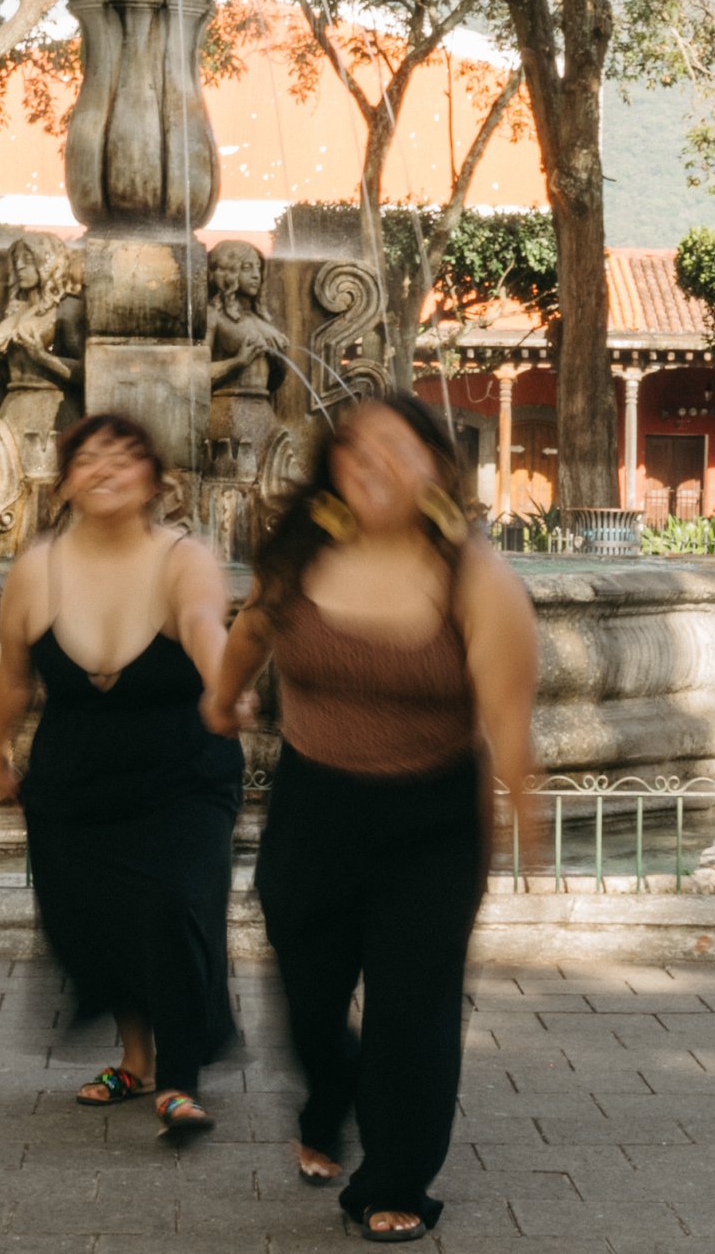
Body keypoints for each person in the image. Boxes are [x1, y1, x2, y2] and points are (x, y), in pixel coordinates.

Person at [203, 396, 539, 1243]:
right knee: (310, 993)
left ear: (436, 466)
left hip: (430, 817)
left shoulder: (477, 578)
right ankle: (330, 1094)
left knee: (413, 1003)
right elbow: (250, 628)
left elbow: (507, 721)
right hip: (314, 806)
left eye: (398, 445)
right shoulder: (302, 555)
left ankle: (396, 1178)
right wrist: (220, 695)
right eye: (356, 447)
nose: (373, 460)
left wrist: (524, 816)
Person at [0, 412, 245, 1140]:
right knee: (100, 916)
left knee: (173, 902)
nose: (104, 468)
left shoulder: (183, 556)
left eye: (125, 457)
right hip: (77, 776)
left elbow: (203, 625)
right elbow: (13, 672)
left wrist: (227, 685)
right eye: (89, 457)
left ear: (156, 482)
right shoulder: (36, 566)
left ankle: (180, 1080)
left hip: (182, 768)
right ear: (64, 479)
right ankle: (134, 1059)